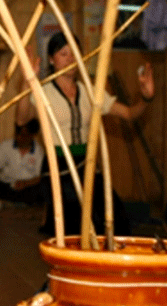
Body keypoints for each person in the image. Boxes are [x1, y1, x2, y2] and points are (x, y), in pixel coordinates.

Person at [15, 31, 155, 236]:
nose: (70, 59)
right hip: (58, 169)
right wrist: (27, 82)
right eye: (64, 54)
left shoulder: (90, 90)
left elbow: (128, 113)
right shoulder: (43, 91)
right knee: (74, 227)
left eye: (74, 53)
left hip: (87, 165)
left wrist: (146, 98)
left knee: (113, 219)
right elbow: (21, 118)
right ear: (52, 60)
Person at [0, 118, 44, 205]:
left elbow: (39, 177)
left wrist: (25, 183)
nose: (19, 138)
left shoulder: (39, 151)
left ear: (32, 135)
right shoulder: (5, 146)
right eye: (18, 134)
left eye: (24, 135)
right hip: (6, 186)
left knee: (41, 189)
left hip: (27, 188)